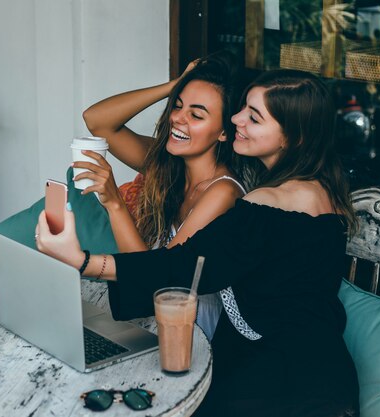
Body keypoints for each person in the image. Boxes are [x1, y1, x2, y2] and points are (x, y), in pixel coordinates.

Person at [36, 69, 360, 416]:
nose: (237, 119)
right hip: (322, 375)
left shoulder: (268, 203)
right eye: (242, 109)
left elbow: (184, 265)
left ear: (292, 138)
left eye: (253, 117)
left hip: (287, 386)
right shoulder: (323, 192)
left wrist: (82, 261)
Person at [75, 51, 247, 339]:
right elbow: (96, 120)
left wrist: (114, 203)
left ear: (223, 133)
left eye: (196, 115)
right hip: (156, 313)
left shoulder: (223, 192)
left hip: (195, 329)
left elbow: (156, 279)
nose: (177, 118)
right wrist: (175, 84)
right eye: (177, 106)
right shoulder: (169, 165)